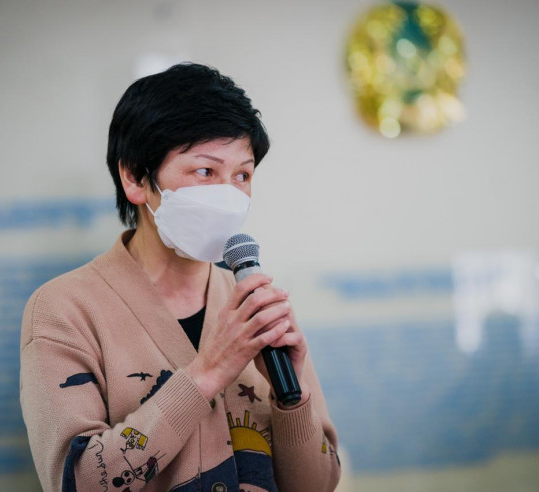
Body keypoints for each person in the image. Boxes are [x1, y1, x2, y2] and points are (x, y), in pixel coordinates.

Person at [20, 63, 341, 492]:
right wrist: (208, 371)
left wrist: (292, 396)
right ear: (135, 178)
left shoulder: (254, 302)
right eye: (205, 172)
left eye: (242, 175)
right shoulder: (64, 309)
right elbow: (78, 482)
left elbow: (318, 485)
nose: (228, 195)